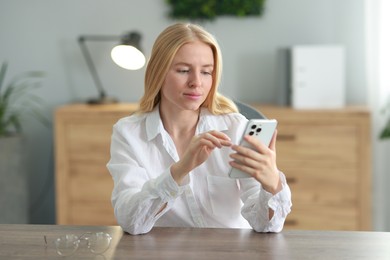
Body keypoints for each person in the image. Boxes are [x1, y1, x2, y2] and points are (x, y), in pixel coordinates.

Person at [107, 23, 292, 235]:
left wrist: (272, 184)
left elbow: (267, 225)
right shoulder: (129, 134)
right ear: (158, 72)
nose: (196, 83)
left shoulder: (234, 128)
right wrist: (180, 169)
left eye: (206, 72)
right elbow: (132, 222)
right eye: (184, 70)